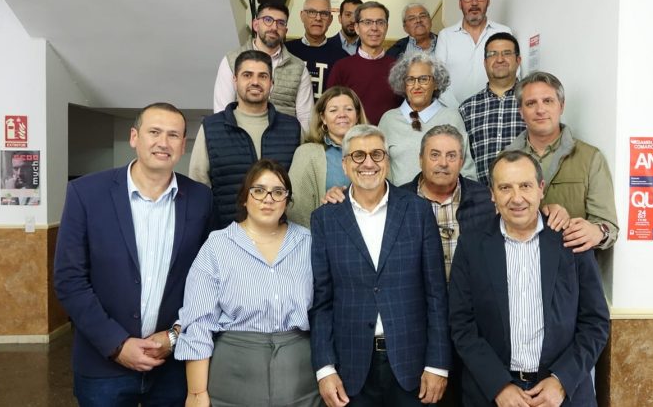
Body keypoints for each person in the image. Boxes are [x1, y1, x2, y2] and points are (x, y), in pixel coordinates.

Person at [54, 102, 214, 406]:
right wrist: (117, 344)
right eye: (154, 132)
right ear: (133, 137)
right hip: (103, 365)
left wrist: (175, 335)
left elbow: (208, 281)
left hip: (173, 365)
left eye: (173, 135)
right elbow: (69, 280)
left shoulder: (201, 200)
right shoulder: (86, 194)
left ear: (183, 146)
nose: (163, 143)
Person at [449, 150, 610, 406]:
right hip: (493, 394)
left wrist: (562, 381)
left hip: (562, 394)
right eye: (505, 188)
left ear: (541, 188)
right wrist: (498, 386)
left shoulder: (571, 241)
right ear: (492, 193)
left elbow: (595, 322)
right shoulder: (471, 246)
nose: (517, 198)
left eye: (525, 186)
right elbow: (461, 324)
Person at [309, 124, 451, 407]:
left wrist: (438, 364)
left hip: (413, 366)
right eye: (358, 156)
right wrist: (325, 369)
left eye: (377, 154)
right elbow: (322, 301)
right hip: (350, 370)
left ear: (387, 161)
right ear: (345, 164)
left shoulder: (418, 211)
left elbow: (436, 294)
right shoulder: (325, 219)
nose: (368, 163)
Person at [176, 159, 321, 407]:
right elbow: (198, 323)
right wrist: (197, 394)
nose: (268, 198)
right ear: (244, 198)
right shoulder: (218, 245)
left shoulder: (309, 242)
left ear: (287, 201)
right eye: (258, 190)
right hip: (233, 375)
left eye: (278, 192)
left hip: (301, 377)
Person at [506, 71, 619, 252]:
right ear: (521, 112)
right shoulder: (505, 161)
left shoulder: (590, 158)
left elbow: (609, 227)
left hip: (571, 270)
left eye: (548, 101)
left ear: (562, 106)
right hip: (518, 264)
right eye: (531, 103)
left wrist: (597, 231)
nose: (540, 109)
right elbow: (496, 218)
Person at [190, 50, 302, 229]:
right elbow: (198, 186)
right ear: (235, 81)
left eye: (263, 76)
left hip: (281, 237)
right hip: (227, 237)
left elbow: (301, 185)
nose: (255, 82)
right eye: (247, 75)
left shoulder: (292, 128)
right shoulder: (212, 128)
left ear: (271, 83)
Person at [213, 1, 313, 133]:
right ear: (255, 24)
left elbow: (306, 117)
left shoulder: (298, 67)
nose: (274, 27)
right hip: (240, 139)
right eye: (268, 20)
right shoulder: (232, 60)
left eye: (280, 23)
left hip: (284, 142)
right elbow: (222, 110)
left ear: (285, 31)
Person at [379, 52, 476, 185]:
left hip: (445, 202)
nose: (417, 86)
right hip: (401, 202)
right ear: (403, 84)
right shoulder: (388, 120)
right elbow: (381, 169)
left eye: (424, 79)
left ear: (436, 83)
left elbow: (466, 170)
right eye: (410, 79)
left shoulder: (452, 117)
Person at [287, 86, 369, 227]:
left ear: (357, 116)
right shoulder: (306, 153)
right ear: (323, 118)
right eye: (333, 110)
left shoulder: (374, 152)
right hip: (325, 238)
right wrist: (326, 202)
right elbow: (296, 211)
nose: (342, 114)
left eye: (348, 109)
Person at [435, 0, 512, 108]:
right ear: (460, 3)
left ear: (488, 0)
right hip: (454, 116)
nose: (474, 2)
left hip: (494, 113)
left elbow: (512, 75)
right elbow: (438, 80)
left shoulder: (504, 33)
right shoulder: (446, 36)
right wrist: (459, 111)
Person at [459, 32, 526, 186]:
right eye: (492, 54)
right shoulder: (467, 109)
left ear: (518, 60)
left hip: (523, 198)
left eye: (507, 53)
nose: (500, 59)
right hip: (481, 199)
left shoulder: (532, 102)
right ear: (485, 62)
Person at [327, 1, 400, 125]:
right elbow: (331, 108)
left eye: (380, 22)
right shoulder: (342, 67)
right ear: (356, 28)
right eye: (367, 22)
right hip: (352, 137)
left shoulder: (398, 68)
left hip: (389, 137)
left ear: (386, 27)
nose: (374, 28)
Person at [285, 0, 350, 100]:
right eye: (312, 12)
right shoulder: (286, 51)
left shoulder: (343, 58)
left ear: (330, 19)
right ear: (302, 16)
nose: (318, 18)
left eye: (324, 14)